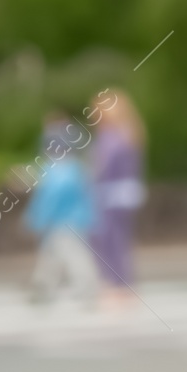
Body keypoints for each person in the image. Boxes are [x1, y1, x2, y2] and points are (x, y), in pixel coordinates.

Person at [24, 114, 99, 303]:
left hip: (61, 222)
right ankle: (43, 287)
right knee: (54, 254)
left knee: (70, 255)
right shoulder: (76, 168)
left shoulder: (55, 170)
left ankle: (84, 287)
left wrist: (36, 219)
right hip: (74, 220)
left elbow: (48, 199)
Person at [89, 89, 146, 305]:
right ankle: (121, 285)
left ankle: (117, 286)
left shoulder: (111, 136)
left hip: (110, 195)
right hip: (125, 194)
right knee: (118, 240)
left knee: (109, 241)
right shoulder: (130, 132)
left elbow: (100, 168)